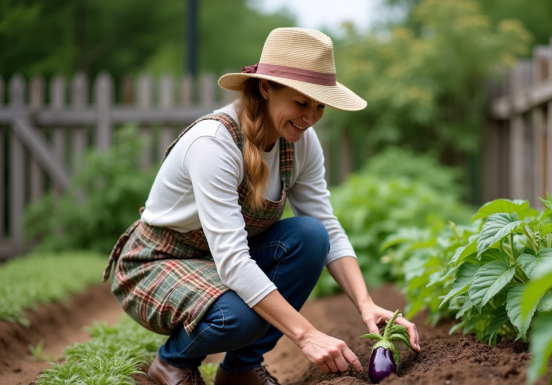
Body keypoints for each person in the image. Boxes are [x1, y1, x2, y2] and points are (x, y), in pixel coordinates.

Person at [102, 27, 421, 385]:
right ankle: (171, 362)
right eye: (302, 102)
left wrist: (365, 304)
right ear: (266, 88)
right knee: (238, 316)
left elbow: (327, 226)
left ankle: (239, 370)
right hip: (158, 262)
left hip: (216, 263)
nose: (311, 116)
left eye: (320, 106)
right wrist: (306, 334)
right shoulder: (213, 144)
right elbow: (234, 261)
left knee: (311, 236)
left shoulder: (301, 142)